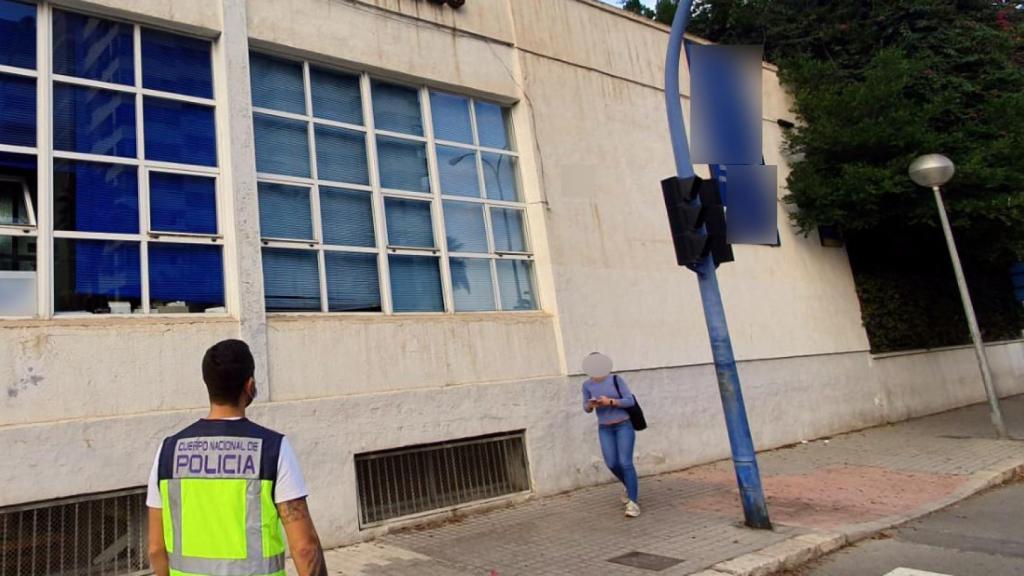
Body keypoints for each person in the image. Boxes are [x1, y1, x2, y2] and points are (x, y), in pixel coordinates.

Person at [146, 339, 328, 576]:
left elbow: (156, 549)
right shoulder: (273, 449)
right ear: (249, 385)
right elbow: (304, 548)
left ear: (207, 385)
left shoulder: (168, 450)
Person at [581, 352, 640, 518]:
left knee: (625, 462)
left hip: (624, 425)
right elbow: (585, 408)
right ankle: (629, 486)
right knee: (612, 463)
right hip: (604, 428)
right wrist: (591, 405)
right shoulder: (587, 385)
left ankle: (633, 503)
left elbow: (630, 401)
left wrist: (611, 402)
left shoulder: (616, 380)